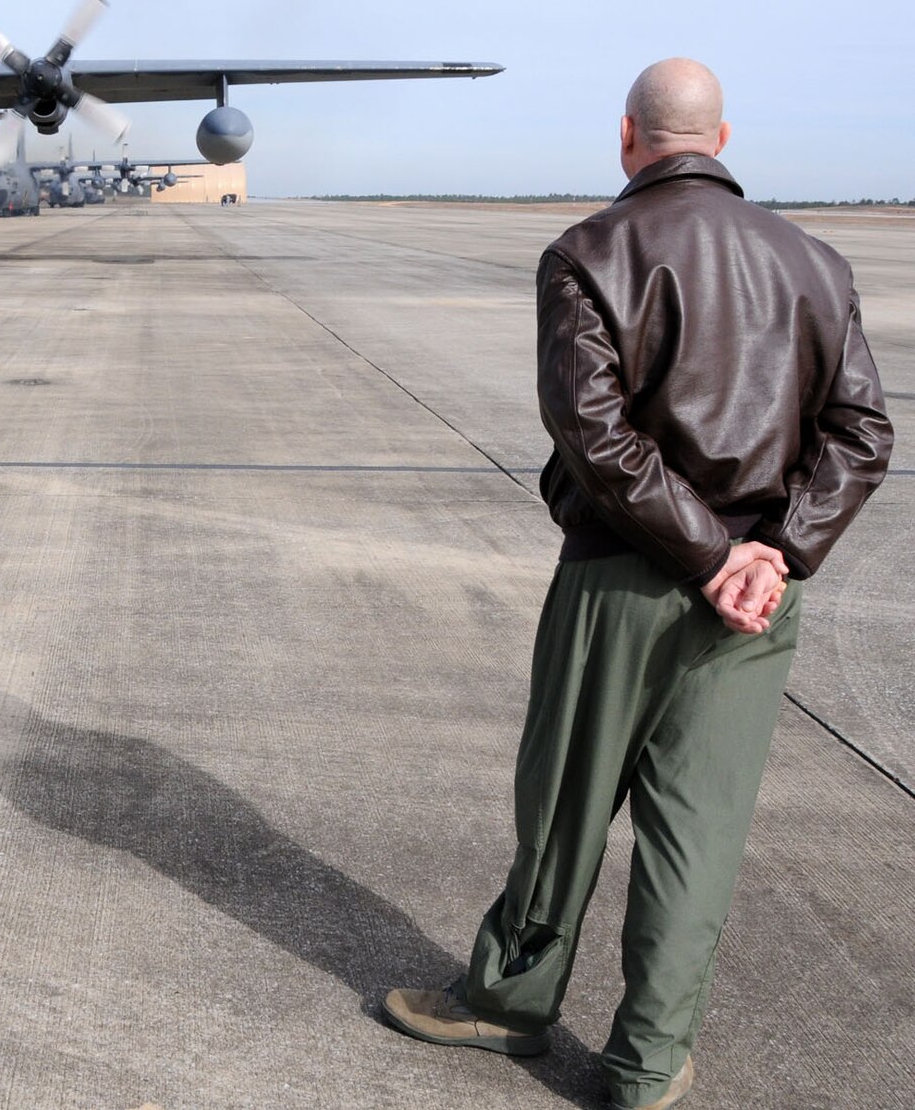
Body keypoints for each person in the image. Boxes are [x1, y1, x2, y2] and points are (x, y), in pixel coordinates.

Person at [383, 59, 894, 1108]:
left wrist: (702, 554)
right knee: (695, 829)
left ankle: (508, 1001)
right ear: (720, 137)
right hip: (756, 598)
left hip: (623, 577)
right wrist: (774, 553)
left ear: (627, 138)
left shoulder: (589, 253)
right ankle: (646, 1063)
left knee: (565, 803)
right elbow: (859, 432)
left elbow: (594, 436)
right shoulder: (812, 259)